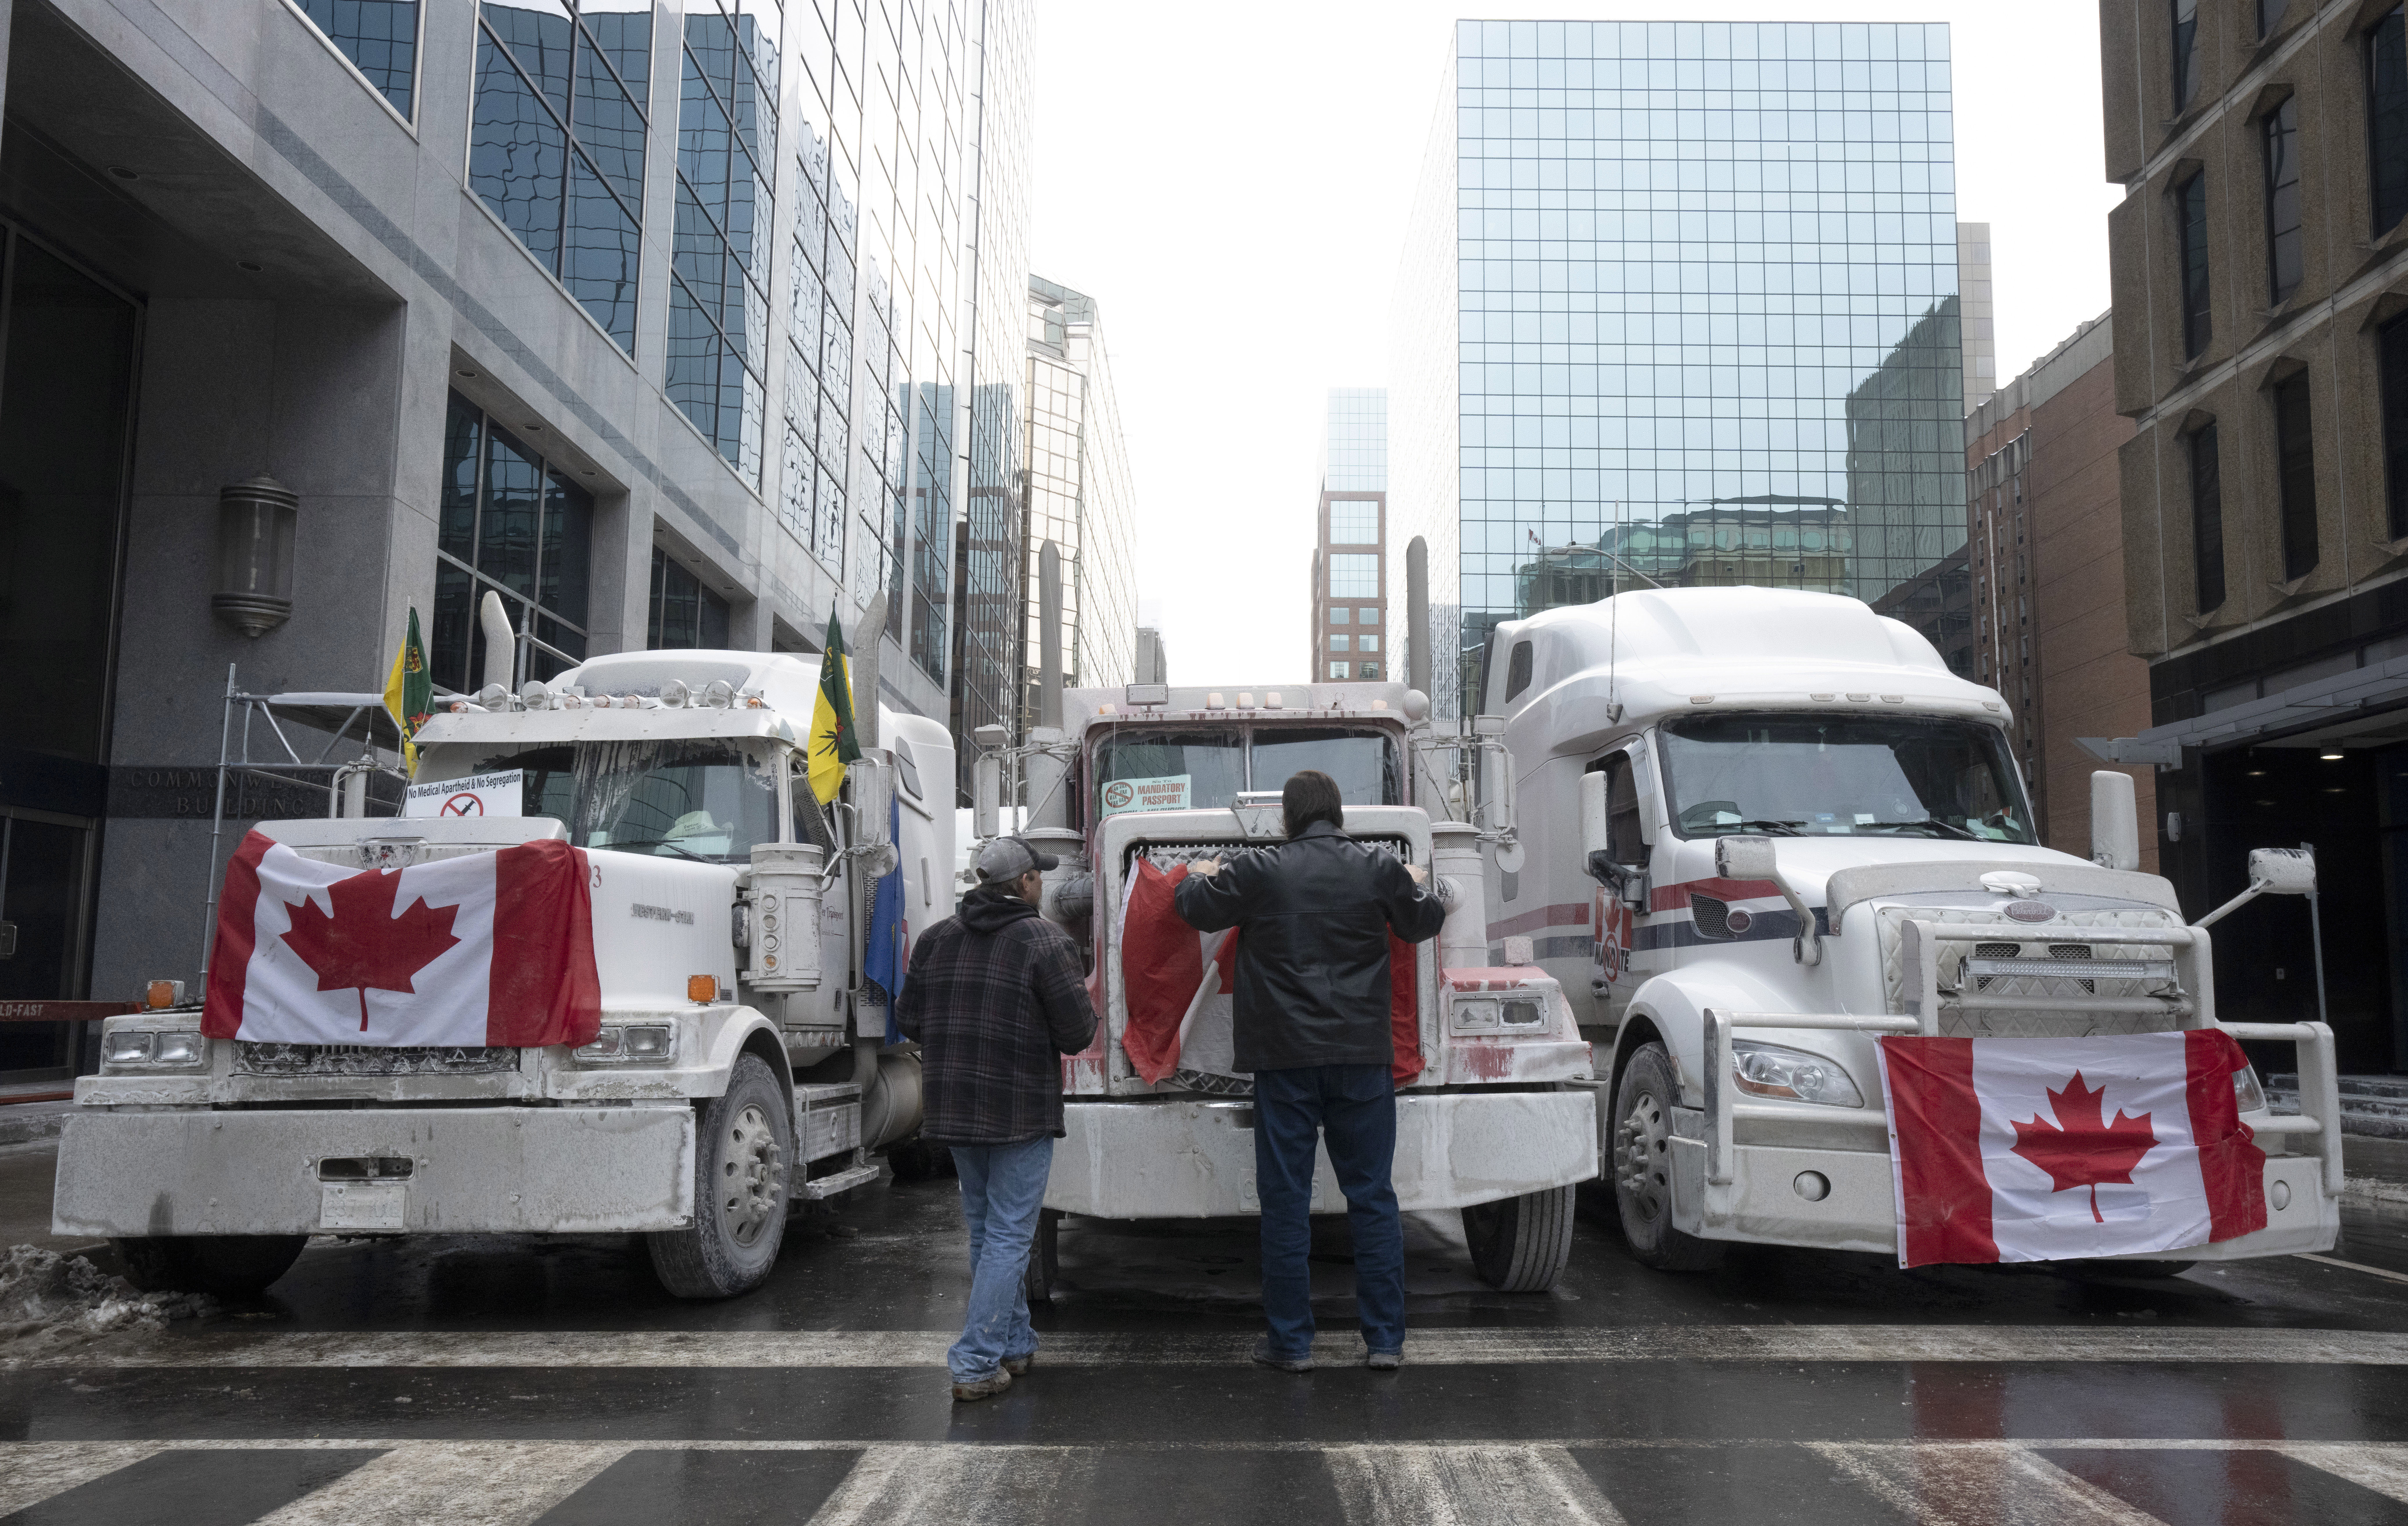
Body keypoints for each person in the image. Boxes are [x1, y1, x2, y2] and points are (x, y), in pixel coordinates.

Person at [1173, 769, 1448, 1373]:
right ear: (1339, 813)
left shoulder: (1260, 870)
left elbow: (1193, 907)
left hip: (1285, 1059)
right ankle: (1384, 1341)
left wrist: (1199, 871)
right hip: (1362, 1057)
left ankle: (1291, 1343)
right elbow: (1423, 922)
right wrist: (1424, 884)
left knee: (1287, 1202)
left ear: (1287, 819)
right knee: (1373, 1197)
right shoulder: (1376, 868)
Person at [895, 835, 1098, 1402]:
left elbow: (909, 1018)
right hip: (1019, 1110)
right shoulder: (1045, 941)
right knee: (1010, 1233)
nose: (1043, 882)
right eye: (1040, 874)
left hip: (953, 1107)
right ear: (1026, 882)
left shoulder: (937, 939)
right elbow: (1078, 1032)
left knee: (989, 1231)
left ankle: (1013, 1341)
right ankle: (976, 1361)